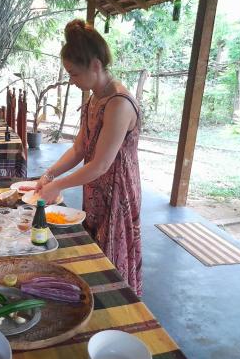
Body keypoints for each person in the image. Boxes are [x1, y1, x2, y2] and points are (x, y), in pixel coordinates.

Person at [37, 19, 142, 296]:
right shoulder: (94, 99)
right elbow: (80, 149)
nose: (71, 80)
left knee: (111, 259)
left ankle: (116, 311)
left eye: (73, 74)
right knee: (95, 251)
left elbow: (102, 164)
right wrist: (49, 175)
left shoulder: (119, 103)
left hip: (117, 190)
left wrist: (58, 186)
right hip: (95, 186)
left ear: (95, 64)